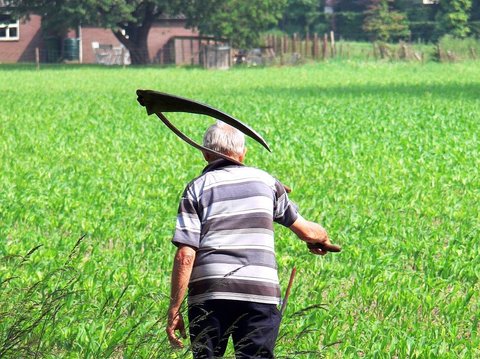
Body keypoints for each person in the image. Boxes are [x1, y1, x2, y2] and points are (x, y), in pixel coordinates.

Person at [166, 121, 338, 358]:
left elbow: (186, 255)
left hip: (209, 295)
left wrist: (174, 309)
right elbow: (308, 231)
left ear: (205, 154)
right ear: (243, 152)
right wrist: (322, 238)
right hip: (259, 293)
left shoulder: (196, 188)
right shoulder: (267, 182)